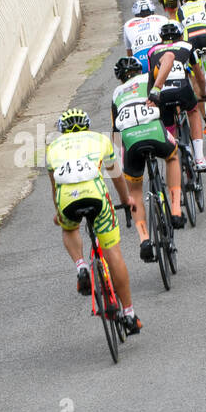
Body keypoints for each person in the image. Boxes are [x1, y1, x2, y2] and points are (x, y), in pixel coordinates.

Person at [46, 108, 142, 335]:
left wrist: (59, 214)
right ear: (86, 125)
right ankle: (129, 314)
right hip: (96, 196)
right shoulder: (100, 140)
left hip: (67, 200)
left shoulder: (52, 148)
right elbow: (116, 175)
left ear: (62, 130)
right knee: (113, 253)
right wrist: (126, 199)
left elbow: (55, 188)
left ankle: (81, 266)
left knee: (69, 229)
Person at [111, 55, 182, 262]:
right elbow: (169, 57)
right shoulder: (147, 78)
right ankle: (176, 209)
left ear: (120, 79)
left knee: (135, 190)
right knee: (172, 156)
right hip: (153, 131)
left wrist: (117, 169)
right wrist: (156, 89)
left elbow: (115, 133)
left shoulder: (116, 94)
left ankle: (144, 239)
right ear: (139, 70)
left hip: (130, 142)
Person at [147, 20, 206, 174]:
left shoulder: (152, 51)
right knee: (193, 112)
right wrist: (202, 93)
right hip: (182, 87)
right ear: (181, 35)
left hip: (161, 91)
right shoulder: (187, 46)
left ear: (161, 38)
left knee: (168, 124)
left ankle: (174, 155)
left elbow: (151, 77)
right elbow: (199, 77)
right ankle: (199, 158)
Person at [122, 0, 168, 71]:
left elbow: (129, 51)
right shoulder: (162, 19)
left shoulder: (128, 24)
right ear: (152, 11)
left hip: (140, 59)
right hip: (160, 55)